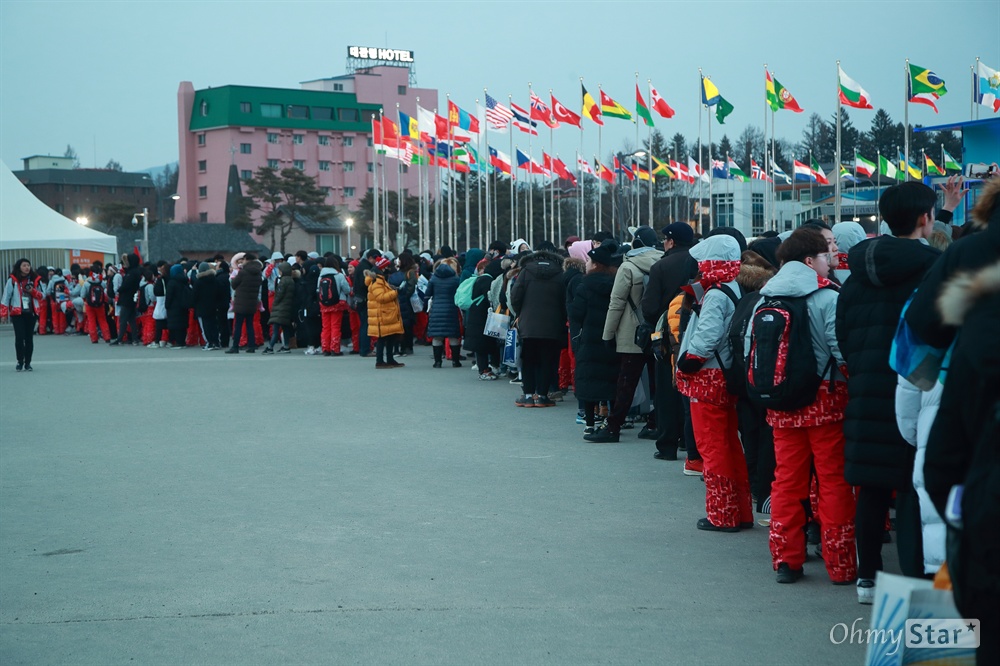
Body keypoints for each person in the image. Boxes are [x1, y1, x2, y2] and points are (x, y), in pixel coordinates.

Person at [836, 181, 942, 602]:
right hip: (918, 386)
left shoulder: (856, 273)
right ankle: (914, 581)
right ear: (924, 218)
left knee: (872, 486)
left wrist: (864, 369)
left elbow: (842, 333)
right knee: (913, 487)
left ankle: (868, 578)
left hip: (866, 387)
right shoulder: (935, 267)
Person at [746, 227, 857, 585]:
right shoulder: (828, 297)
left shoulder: (766, 298)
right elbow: (840, 349)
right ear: (810, 261)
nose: (830, 261)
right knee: (833, 483)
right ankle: (840, 564)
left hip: (782, 404)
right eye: (826, 256)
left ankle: (785, 560)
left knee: (787, 482)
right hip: (825, 401)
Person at [674, 234, 751, 532]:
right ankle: (740, 509)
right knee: (730, 444)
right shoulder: (732, 287)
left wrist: (687, 361)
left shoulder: (716, 293)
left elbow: (706, 337)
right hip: (724, 375)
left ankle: (722, 514)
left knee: (712, 447)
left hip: (707, 378)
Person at [588, 226, 664, 441]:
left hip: (633, 332)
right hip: (659, 330)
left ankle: (613, 426)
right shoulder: (663, 263)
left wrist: (607, 334)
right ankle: (654, 422)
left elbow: (617, 303)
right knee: (658, 381)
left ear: (637, 243)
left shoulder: (628, 266)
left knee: (626, 381)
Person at [641, 222, 698, 460]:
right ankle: (688, 441)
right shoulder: (698, 263)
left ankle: (667, 444)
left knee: (666, 391)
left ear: (671, 241)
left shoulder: (661, 266)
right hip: (695, 332)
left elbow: (650, 307)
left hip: (668, 336)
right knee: (690, 391)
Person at [568, 244, 621, 430]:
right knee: (611, 381)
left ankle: (589, 422)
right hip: (611, 339)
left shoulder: (584, 286)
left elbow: (576, 314)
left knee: (589, 381)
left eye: (589, 260)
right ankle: (611, 421)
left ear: (596, 264)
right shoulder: (616, 285)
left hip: (589, 341)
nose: (587, 263)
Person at [510, 247, 567, 408]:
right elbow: (565, 299)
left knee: (528, 360)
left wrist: (520, 312)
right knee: (547, 360)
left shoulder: (526, 270)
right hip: (553, 324)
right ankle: (542, 396)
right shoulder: (560, 272)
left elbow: (515, 295)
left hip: (528, 324)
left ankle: (528, 396)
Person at [461, 258, 501, 380]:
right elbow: (491, 298)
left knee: (483, 345)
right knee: (482, 345)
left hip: (476, 317)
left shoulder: (481, 279)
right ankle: (483, 370)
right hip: (482, 318)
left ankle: (485, 369)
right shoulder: (487, 280)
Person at [2, 259, 41, 371]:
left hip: (31, 313)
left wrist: (33, 291)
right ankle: (20, 361)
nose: (27, 267)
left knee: (29, 338)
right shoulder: (12, 280)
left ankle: (28, 363)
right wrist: (3, 314)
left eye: (28, 265)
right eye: (24, 265)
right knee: (19, 338)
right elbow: (6, 297)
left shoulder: (35, 280)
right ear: (19, 267)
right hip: (17, 313)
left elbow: (41, 296)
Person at [365, 257, 404, 368]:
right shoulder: (377, 281)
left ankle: (389, 359)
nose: (388, 269)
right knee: (382, 339)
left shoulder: (380, 280)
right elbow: (381, 297)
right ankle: (380, 361)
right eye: (386, 267)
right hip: (382, 314)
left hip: (384, 313)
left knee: (390, 337)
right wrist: (395, 292)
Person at [424, 257, 462, 368]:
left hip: (436, 310)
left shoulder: (433, 279)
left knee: (437, 336)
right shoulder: (455, 278)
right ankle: (455, 361)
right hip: (451, 309)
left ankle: (437, 362)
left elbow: (428, 293)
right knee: (453, 336)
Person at [227, 253, 263, 354]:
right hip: (252, 302)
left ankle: (235, 347)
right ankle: (251, 346)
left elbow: (234, 284)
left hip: (241, 302)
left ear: (246, 259)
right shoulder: (258, 272)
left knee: (238, 325)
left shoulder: (243, 272)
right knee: (250, 325)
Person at [318, 256, 351, 356]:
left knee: (325, 327)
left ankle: (325, 348)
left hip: (324, 305)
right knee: (335, 326)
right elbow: (347, 290)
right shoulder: (339, 275)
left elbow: (318, 290)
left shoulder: (321, 276)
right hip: (337, 304)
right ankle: (335, 348)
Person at [352, 249, 380, 357]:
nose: (376, 262)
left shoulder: (361, 265)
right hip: (364, 299)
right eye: (375, 259)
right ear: (370, 258)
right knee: (365, 325)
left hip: (359, 299)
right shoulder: (365, 268)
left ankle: (364, 348)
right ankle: (365, 349)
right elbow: (365, 284)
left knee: (364, 325)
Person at [262, 262, 294, 354]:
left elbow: (279, 295)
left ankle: (270, 347)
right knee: (285, 327)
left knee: (275, 328)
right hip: (287, 307)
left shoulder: (283, 281)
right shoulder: (291, 280)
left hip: (280, 307)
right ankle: (286, 346)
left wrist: (275, 304)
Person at [111, 253, 142, 345]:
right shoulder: (137, 271)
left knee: (123, 319)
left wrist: (119, 289)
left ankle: (120, 338)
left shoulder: (131, 273)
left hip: (126, 298)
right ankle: (134, 339)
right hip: (132, 298)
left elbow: (126, 285)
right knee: (132, 320)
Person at [192, 262, 221, 350]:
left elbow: (194, 296)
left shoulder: (198, 282)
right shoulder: (215, 280)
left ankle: (209, 342)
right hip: (213, 306)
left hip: (202, 307)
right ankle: (216, 342)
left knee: (205, 326)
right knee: (213, 325)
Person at [82, 263, 111, 343]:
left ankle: (94, 338)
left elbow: (82, 294)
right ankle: (107, 337)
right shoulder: (102, 283)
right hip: (100, 305)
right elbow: (105, 292)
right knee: (102, 320)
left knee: (91, 321)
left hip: (89, 305)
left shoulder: (87, 283)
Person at [164, 264, 191, 348]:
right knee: (182, 325)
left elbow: (169, 296)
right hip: (184, 306)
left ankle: (178, 342)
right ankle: (182, 342)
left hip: (173, 307)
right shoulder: (185, 280)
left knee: (175, 325)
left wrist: (167, 305)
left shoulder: (172, 282)